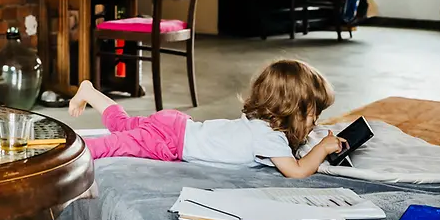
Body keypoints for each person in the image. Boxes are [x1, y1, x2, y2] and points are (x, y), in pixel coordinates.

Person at [67, 59, 346, 178]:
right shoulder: (269, 137)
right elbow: (296, 171)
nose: (316, 122)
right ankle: (62, 150)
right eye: (313, 115)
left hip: (176, 126)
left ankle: (90, 92)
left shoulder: (264, 127)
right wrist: (322, 149)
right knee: (114, 144)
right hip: (170, 141)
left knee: (122, 126)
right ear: (290, 109)